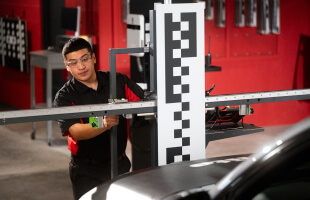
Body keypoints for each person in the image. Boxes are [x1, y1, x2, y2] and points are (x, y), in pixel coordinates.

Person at [53, 37, 144, 199]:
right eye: (73, 62)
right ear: (67, 66)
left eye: (84, 59)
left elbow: (143, 103)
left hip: (119, 164)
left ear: (93, 58)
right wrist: (103, 123)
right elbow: (76, 131)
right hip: (86, 170)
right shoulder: (65, 97)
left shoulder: (118, 81)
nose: (81, 66)